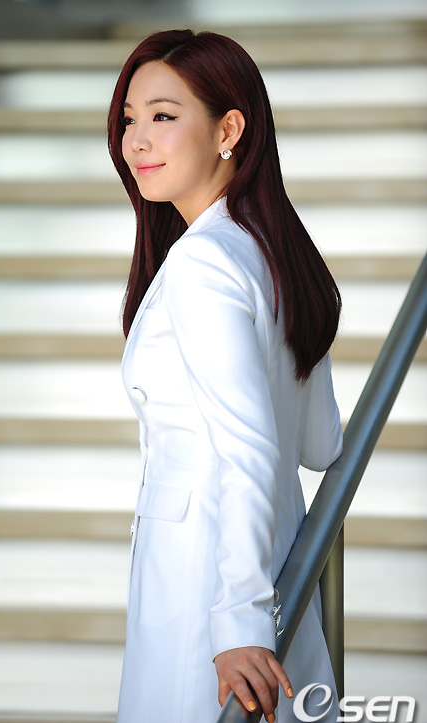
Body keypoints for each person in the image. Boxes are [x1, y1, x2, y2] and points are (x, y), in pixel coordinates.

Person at [107, 29, 343, 723]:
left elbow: (250, 448)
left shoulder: (204, 263)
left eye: (163, 115)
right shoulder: (270, 250)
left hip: (203, 582)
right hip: (268, 560)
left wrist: (238, 621)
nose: (136, 140)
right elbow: (320, 445)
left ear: (228, 130)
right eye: (129, 119)